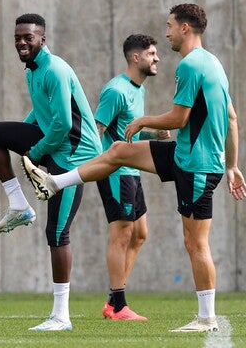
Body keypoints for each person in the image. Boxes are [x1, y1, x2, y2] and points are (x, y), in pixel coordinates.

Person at [22, 4, 246, 332]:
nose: (167, 32)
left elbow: (179, 118)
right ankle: (57, 182)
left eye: (170, 26)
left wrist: (144, 120)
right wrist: (232, 165)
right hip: (186, 155)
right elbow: (231, 118)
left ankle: (207, 317)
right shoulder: (214, 63)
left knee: (195, 242)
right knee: (117, 152)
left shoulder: (189, 66)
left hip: (197, 166)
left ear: (185, 28)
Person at [0, 14, 101, 331]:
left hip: (74, 155)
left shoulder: (54, 69)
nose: (21, 42)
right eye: (17, 37)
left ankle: (61, 316)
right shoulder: (32, 70)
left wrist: (32, 153)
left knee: (57, 234)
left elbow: (60, 125)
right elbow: (41, 113)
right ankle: (19, 204)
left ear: (42, 39)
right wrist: (21, 135)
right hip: (55, 143)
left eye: (28, 37)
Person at [95, 34, 169, 321]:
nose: (157, 58)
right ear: (135, 57)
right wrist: (89, 169)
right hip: (116, 172)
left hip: (133, 171)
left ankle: (113, 300)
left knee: (140, 234)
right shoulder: (115, 91)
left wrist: (154, 134)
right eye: (152, 53)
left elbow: (128, 131)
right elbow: (96, 131)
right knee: (123, 232)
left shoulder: (138, 89)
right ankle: (118, 306)